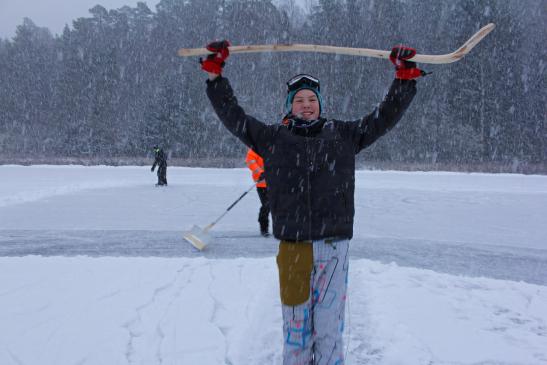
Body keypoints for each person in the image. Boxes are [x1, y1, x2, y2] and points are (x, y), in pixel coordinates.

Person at [200, 39, 424, 364]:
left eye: (312, 99)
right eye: (299, 100)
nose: (306, 104)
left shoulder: (343, 135)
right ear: (290, 105)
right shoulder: (273, 138)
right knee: (296, 335)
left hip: (333, 248)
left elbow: (383, 119)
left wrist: (403, 81)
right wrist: (215, 78)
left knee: (330, 334)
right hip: (293, 249)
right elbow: (235, 117)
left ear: (319, 103)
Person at [245, 148, 270, 236]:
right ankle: (264, 227)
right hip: (262, 185)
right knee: (266, 205)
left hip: (275, 184)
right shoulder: (255, 149)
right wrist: (261, 173)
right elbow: (250, 161)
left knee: (276, 206)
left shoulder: (274, 147)